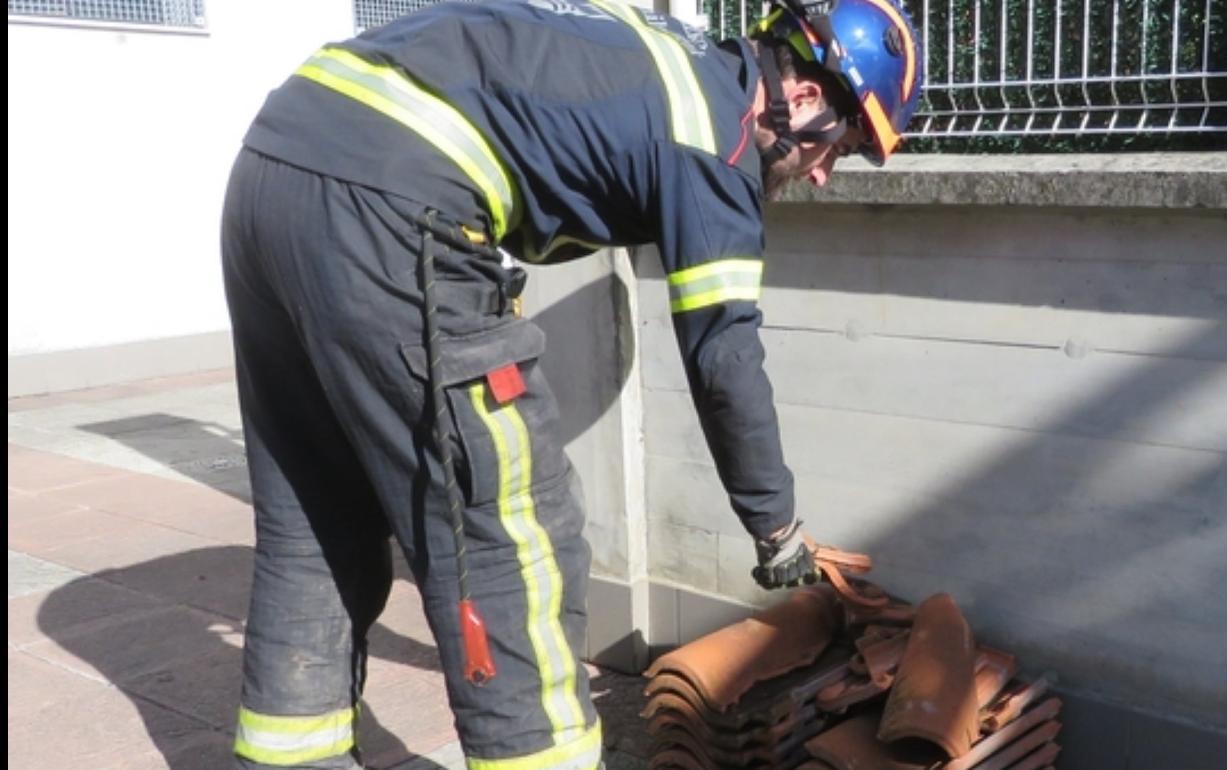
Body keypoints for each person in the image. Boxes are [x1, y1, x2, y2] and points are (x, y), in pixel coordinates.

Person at [220, 0, 923, 767]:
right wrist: (776, 525)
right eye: (841, 148)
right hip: (394, 200)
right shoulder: (714, 139)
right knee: (514, 528)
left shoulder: (668, 58)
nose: (821, 174)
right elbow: (724, 357)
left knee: (317, 510)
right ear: (807, 97)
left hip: (275, 163)